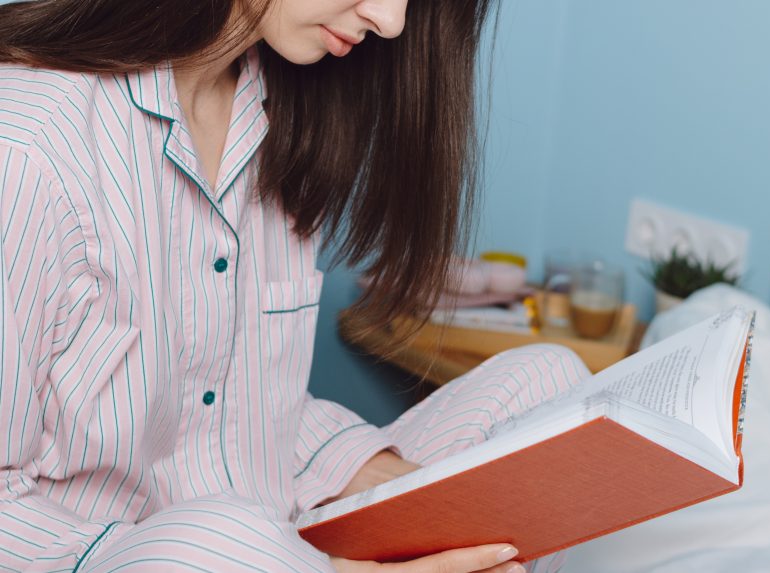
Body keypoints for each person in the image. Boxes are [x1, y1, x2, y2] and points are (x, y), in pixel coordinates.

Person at [0, 1, 590, 571]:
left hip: (274, 537)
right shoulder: (26, 145)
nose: (391, 21)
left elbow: (231, 403)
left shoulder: (273, 110)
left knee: (550, 388)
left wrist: (372, 472)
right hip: (150, 554)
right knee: (217, 538)